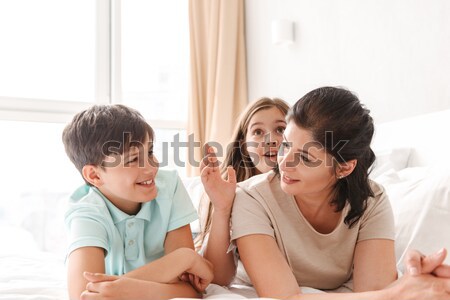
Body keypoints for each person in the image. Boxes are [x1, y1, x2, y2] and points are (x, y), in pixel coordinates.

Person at [229, 86, 450, 299]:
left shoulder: (371, 200)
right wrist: (396, 293)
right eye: (285, 145)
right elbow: (284, 297)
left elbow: (375, 290)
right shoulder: (250, 197)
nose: (284, 163)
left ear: (344, 167)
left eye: (305, 157)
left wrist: (410, 282)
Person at [62, 104, 213, 300]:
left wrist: (123, 290)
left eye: (149, 152)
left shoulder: (169, 186)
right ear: (95, 175)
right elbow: (85, 296)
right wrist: (182, 259)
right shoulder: (86, 212)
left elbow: (192, 289)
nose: (151, 168)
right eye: (133, 159)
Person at [197, 97, 289, 285]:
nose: (270, 140)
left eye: (280, 129)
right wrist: (222, 209)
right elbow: (217, 277)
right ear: (244, 146)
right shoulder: (232, 193)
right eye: (258, 132)